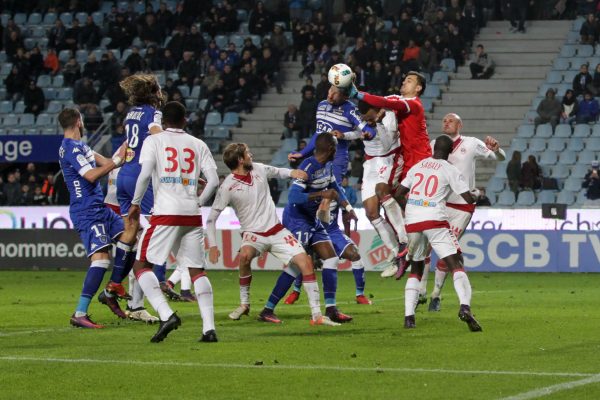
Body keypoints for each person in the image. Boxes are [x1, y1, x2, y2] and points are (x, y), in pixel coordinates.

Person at [205, 143, 338, 326]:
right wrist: (212, 245)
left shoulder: (258, 169)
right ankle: (244, 303)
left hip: (276, 231)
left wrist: (293, 173)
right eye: (248, 153)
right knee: (244, 256)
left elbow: (277, 171)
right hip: (253, 234)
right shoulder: (227, 187)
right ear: (240, 159)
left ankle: (317, 316)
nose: (251, 155)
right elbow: (211, 219)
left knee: (305, 261)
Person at [128, 101, 220, 343]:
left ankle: (166, 314)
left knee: (140, 266)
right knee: (197, 271)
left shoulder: (153, 141)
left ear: (162, 122)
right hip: (191, 214)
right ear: (185, 120)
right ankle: (209, 329)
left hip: (165, 213)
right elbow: (213, 181)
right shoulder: (198, 144)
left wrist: (135, 203)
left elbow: (145, 174)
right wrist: (198, 201)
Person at [57, 108, 137, 328]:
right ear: (78, 121)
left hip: (100, 208)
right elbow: (91, 175)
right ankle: (80, 312)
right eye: (82, 121)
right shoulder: (70, 149)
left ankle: (112, 288)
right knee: (101, 259)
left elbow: (110, 162)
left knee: (131, 238)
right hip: (86, 211)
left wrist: (125, 150)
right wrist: (117, 160)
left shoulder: (82, 147)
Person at [351, 71, 432, 278]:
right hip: (408, 162)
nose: (404, 82)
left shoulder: (413, 103)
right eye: (404, 79)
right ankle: (404, 249)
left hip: (420, 161)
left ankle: (410, 245)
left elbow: (381, 103)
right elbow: (381, 102)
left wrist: (357, 93)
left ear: (419, 88)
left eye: (410, 80)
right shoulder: (396, 100)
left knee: (395, 198)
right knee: (390, 198)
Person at [396, 135, 481, 332]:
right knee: (455, 263)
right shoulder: (450, 169)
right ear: (451, 151)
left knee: (416, 268)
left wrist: (410, 210)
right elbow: (467, 198)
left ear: (434, 149)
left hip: (413, 221)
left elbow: (398, 192)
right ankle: (465, 307)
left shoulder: (419, 166)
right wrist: (477, 195)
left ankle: (409, 317)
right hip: (435, 219)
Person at [425, 114, 505, 311]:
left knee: (447, 251)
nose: (446, 122)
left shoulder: (471, 143)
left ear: (460, 125)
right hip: (439, 204)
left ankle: (436, 294)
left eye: (451, 120)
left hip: (462, 206)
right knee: (424, 248)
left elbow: (498, 158)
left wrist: (498, 149)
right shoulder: (435, 144)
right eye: (444, 120)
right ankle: (420, 291)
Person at [272, 133, 355, 323]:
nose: (339, 150)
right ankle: (268, 308)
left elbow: (335, 187)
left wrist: (348, 208)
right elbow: (293, 198)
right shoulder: (307, 167)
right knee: (296, 267)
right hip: (297, 218)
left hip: (312, 218)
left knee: (332, 258)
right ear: (331, 149)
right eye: (337, 146)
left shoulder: (328, 165)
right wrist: (320, 193)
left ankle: (331, 308)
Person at [115, 73, 182, 300]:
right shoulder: (154, 112)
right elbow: (155, 130)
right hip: (140, 175)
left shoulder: (130, 114)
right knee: (160, 225)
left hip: (123, 175)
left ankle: (115, 283)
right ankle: (157, 280)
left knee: (131, 230)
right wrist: (176, 142)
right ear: (154, 92)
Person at [103, 165, 160, 323]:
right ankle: (134, 305)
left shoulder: (127, 150)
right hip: (123, 208)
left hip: (120, 205)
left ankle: (121, 295)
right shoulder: (143, 150)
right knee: (144, 251)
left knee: (138, 251)